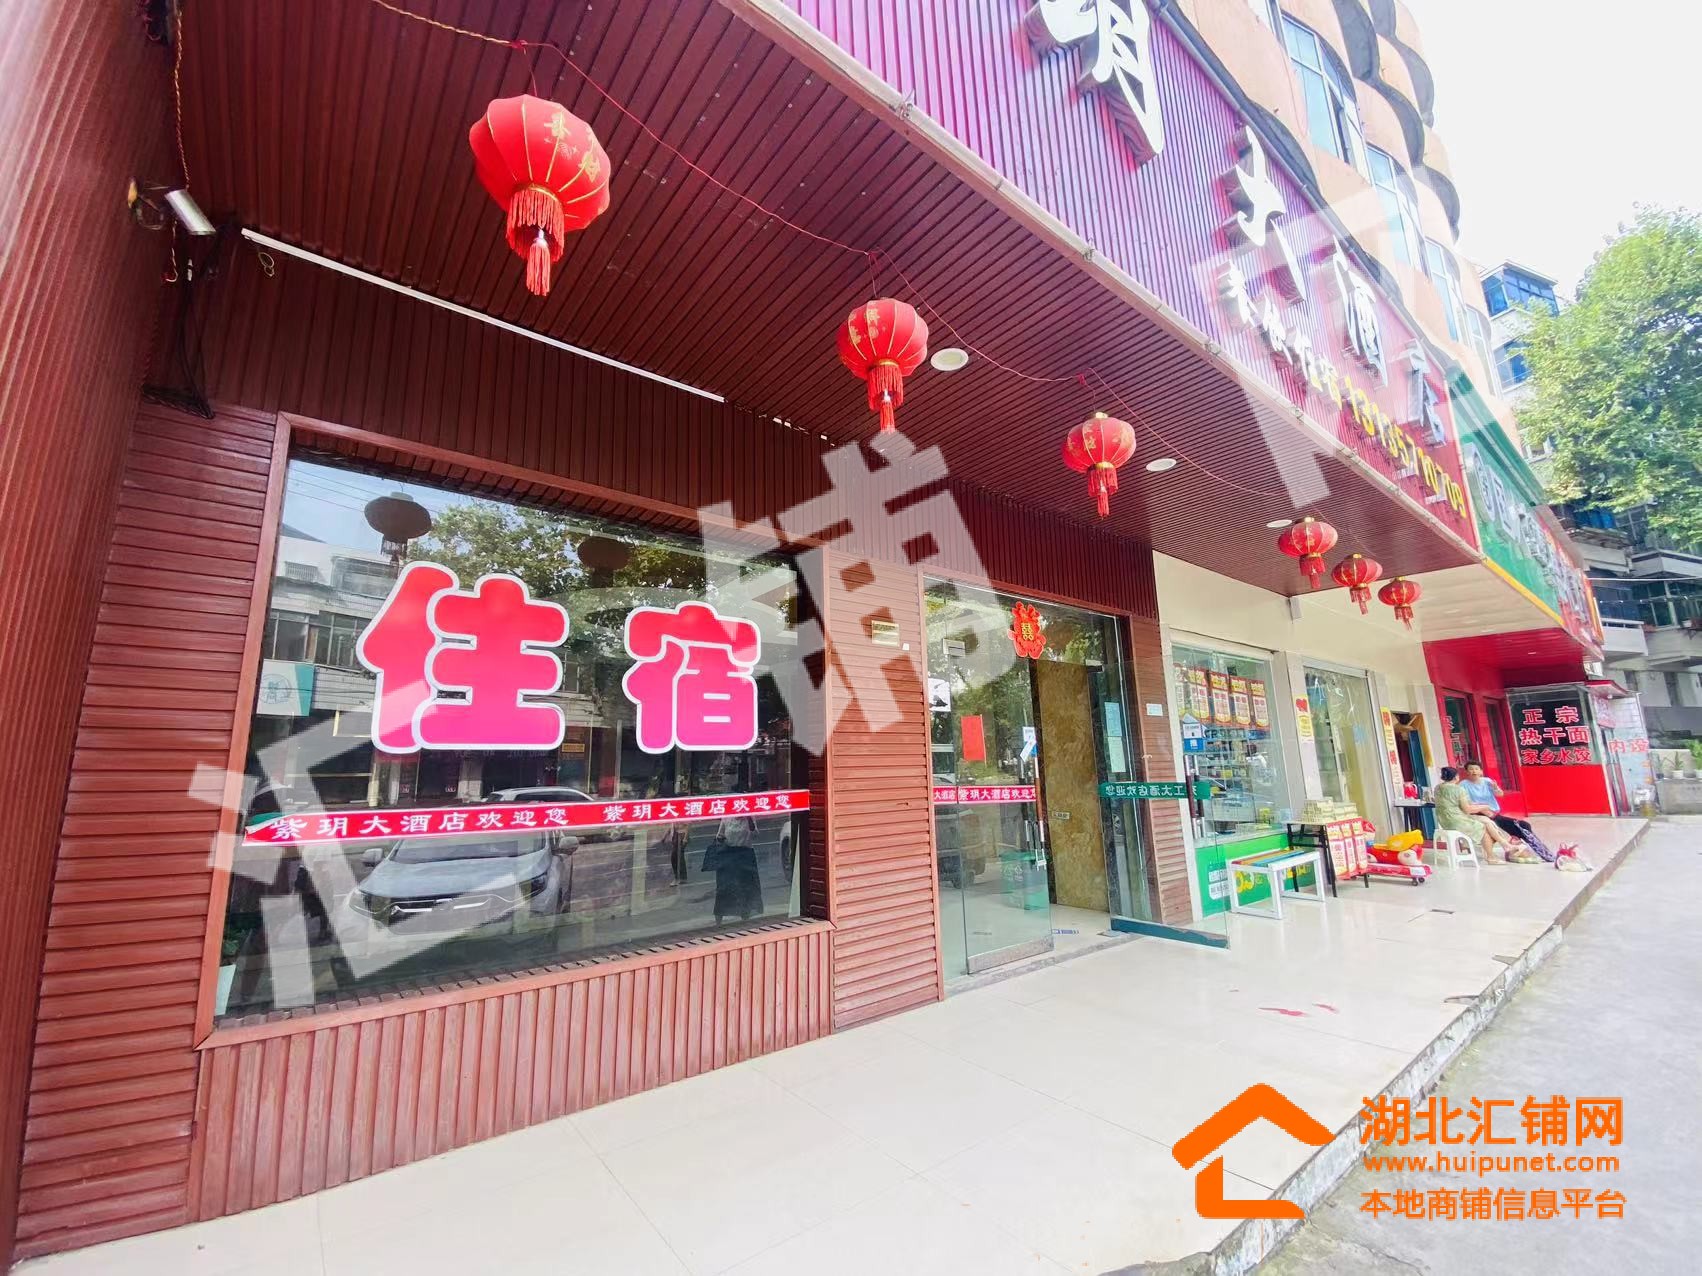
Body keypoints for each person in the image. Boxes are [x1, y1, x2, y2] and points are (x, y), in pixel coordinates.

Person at [1461, 761, 1554, 863]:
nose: (1474, 771)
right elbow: (1467, 804)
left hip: (1495, 814)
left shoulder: (1487, 781)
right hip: (1480, 814)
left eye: (1476, 769)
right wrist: (1482, 808)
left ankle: (1543, 853)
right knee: (1519, 827)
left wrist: (1495, 788)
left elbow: (1500, 794)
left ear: (1481, 771)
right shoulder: (1463, 785)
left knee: (1524, 825)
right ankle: (1519, 850)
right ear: (1466, 772)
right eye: (1471, 769)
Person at [1433, 766, 1516, 863]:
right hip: (1457, 820)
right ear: (1456, 777)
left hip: (1445, 820)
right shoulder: (1458, 789)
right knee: (1484, 829)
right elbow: (1467, 810)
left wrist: (1479, 806)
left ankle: (1505, 844)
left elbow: (1459, 804)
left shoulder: (1438, 788)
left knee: (1487, 821)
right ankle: (1491, 857)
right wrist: (1484, 807)